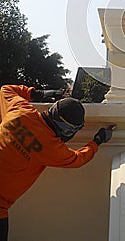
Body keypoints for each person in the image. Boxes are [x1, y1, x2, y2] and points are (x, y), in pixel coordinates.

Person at [0, 84, 114, 241]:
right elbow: (79, 159)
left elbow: (5, 89)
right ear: (68, 131)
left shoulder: (20, 109)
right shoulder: (53, 149)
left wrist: (37, 94)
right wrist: (98, 140)